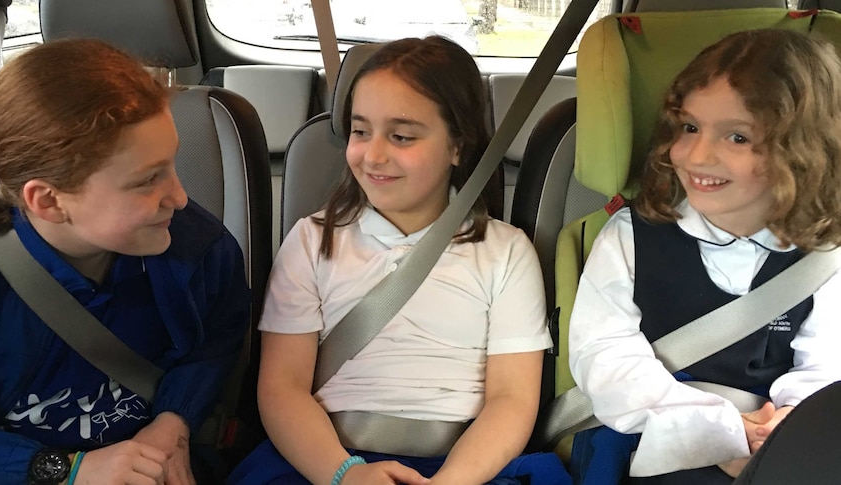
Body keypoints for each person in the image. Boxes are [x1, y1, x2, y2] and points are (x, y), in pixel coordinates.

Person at [228, 36, 568, 485]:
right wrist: (344, 474)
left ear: (458, 146)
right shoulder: (314, 241)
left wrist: (451, 482)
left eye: (402, 136)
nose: (373, 155)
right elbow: (281, 387)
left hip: (468, 465)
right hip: (325, 458)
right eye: (360, 130)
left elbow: (511, 399)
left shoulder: (505, 252)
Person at [568, 28, 841, 485]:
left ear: (803, 151)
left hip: (779, 436)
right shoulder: (633, 236)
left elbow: (825, 366)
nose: (696, 155)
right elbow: (604, 357)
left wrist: (788, 426)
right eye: (689, 127)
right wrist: (717, 434)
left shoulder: (825, 254)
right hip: (653, 432)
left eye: (736, 137)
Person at [0, 39, 250, 484]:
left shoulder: (198, 249)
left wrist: (174, 423)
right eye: (148, 180)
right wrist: (67, 471)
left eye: (172, 164)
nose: (179, 197)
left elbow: (214, 344)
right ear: (48, 200)